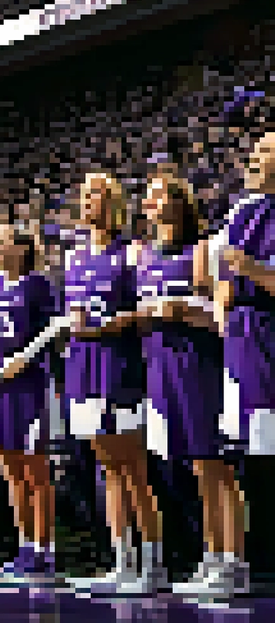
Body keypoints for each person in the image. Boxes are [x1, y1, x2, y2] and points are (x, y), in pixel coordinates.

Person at [127, 167, 242, 599]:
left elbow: (223, 316)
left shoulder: (202, 249)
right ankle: (212, 557)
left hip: (201, 363)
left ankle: (235, 562)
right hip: (161, 364)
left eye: (162, 195)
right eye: (150, 196)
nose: (154, 202)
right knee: (196, 467)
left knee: (217, 466)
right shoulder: (145, 257)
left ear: (182, 203)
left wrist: (187, 311)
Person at [63, 173, 160, 595]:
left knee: (134, 469)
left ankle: (152, 563)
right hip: (83, 368)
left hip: (119, 366)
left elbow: (147, 312)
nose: (89, 202)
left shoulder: (133, 252)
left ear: (114, 202)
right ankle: (122, 560)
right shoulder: (74, 258)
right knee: (109, 470)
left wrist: (115, 324)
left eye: (97, 195)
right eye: (84, 196)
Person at [204, 130, 275, 596]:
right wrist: (222, 297)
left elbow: (251, 271)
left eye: (267, 150)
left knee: (270, 448)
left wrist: (250, 270)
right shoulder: (240, 211)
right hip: (240, 339)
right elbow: (217, 277)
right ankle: (255, 562)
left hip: (269, 335)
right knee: (249, 452)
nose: (254, 156)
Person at [0, 223, 61, 583]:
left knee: (36, 470)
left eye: (1, 240)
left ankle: (46, 550)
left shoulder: (38, 284)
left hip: (29, 385)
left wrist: (26, 358)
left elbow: (56, 328)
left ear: (21, 248)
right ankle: (25, 547)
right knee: (11, 470)